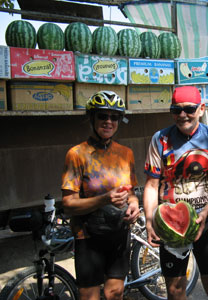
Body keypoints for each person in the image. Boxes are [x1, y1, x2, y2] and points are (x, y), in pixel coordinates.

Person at [143, 86, 208, 300]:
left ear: (201, 109)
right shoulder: (160, 139)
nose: (183, 115)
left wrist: (207, 211)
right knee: (175, 291)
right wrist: (149, 220)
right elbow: (151, 186)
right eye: (176, 110)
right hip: (170, 229)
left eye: (189, 109)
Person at [61, 91, 140, 300]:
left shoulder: (126, 153)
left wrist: (134, 205)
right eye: (103, 116)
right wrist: (105, 198)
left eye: (114, 117)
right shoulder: (77, 154)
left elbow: (131, 193)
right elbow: (68, 205)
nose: (108, 121)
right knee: (89, 297)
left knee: (115, 293)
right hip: (87, 236)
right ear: (92, 117)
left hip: (119, 234)